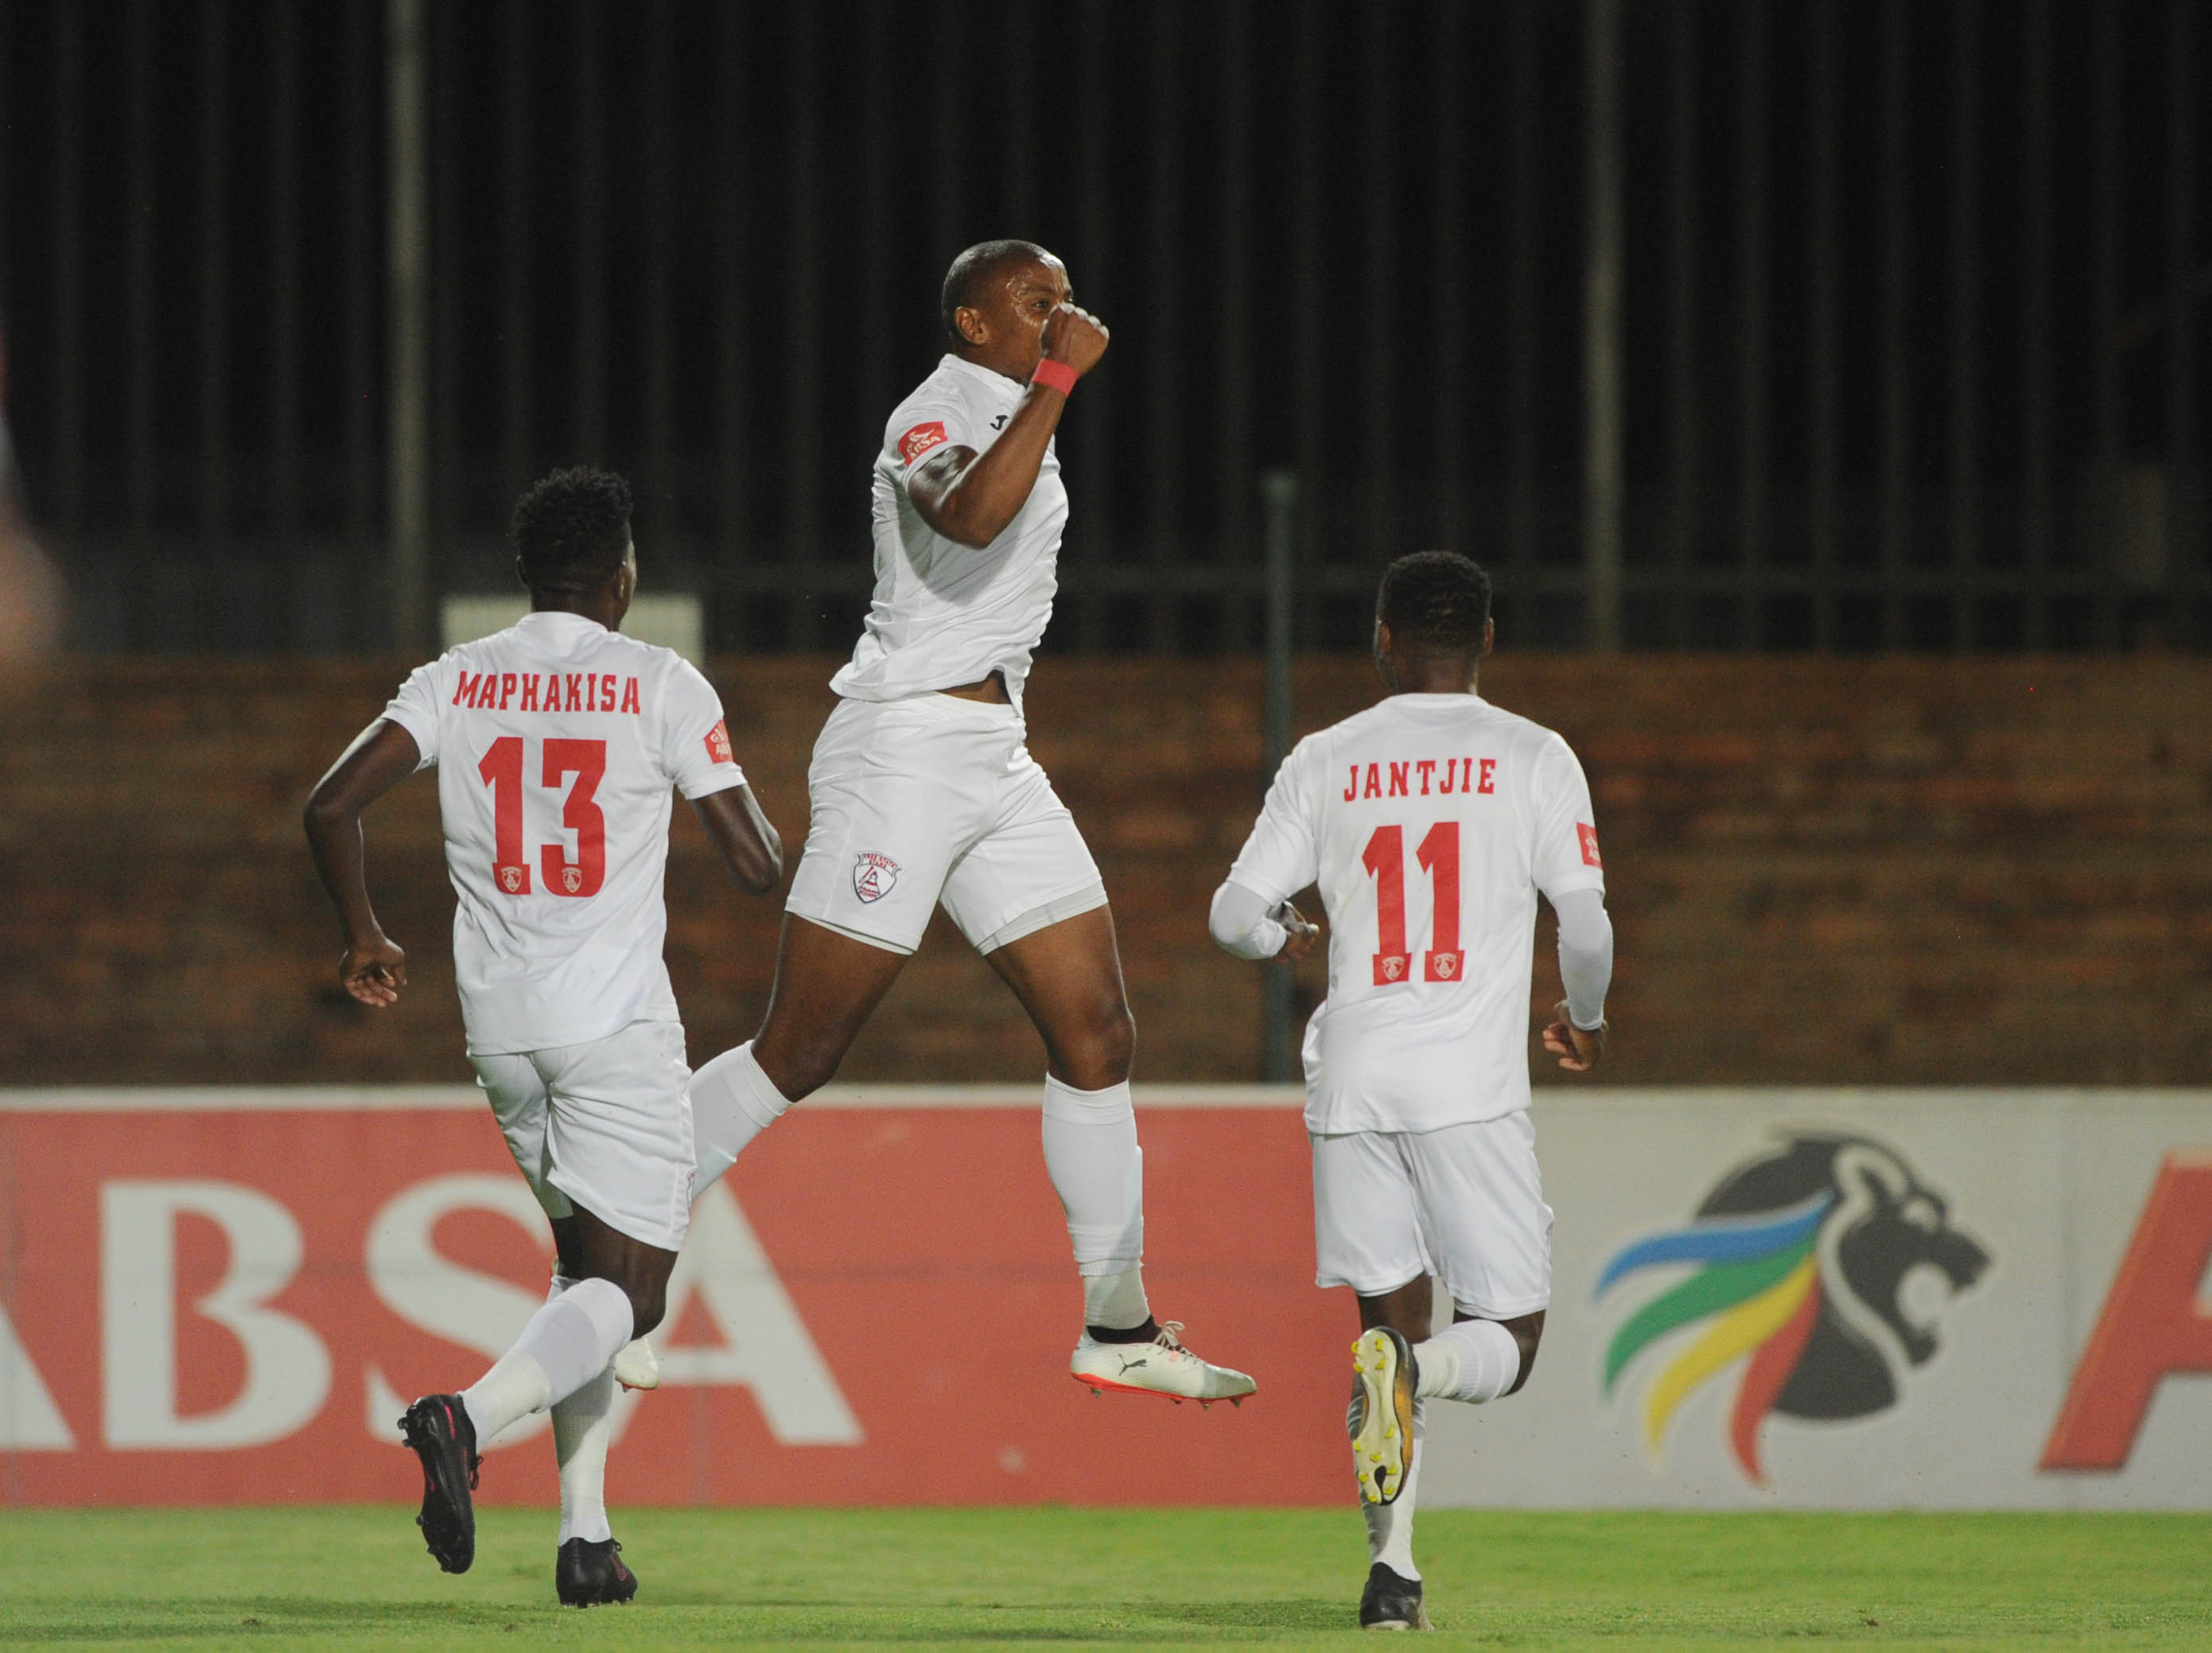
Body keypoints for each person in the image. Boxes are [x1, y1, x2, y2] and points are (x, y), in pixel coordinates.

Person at [682, 239, 1253, 1403]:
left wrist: (1045, 393)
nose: (1060, 312)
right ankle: (612, 1213)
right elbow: (971, 516)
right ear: (973, 322)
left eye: (1064, 294)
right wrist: (1058, 383)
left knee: (1096, 1030)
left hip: (994, 753)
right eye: (1034, 300)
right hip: (900, 750)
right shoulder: (937, 409)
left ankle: (1118, 1322)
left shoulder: (1012, 403)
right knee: (801, 1050)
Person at [302, 467, 782, 1605]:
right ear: (622, 578)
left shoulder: (456, 677)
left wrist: (365, 932)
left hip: (501, 1031)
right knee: (635, 1296)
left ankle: (585, 1533)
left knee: (581, 1276)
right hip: (613, 1025)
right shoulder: (660, 680)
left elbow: (329, 804)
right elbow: (757, 865)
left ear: (527, 577)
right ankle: (460, 1419)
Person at [1207, 551, 1613, 1630]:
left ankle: (1392, 1577)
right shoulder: (1532, 753)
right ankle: (1413, 1372)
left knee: (1381, 1319)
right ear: (1485, 643)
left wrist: (1285, 933)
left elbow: (1229, 913)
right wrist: (1586, 1017)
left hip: (1351, 1078)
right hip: (1467, 1087)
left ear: (1381, 639)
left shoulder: (1325, 756)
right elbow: (1587, 925)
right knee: (1507, 1339)